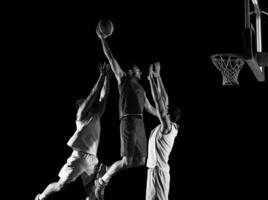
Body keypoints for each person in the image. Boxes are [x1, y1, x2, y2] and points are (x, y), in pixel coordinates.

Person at [95, 22, 157, 199]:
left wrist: (163, 117)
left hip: (140, 123)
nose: (140, 71)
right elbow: (110, 56)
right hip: (128, 121)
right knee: (128, 161)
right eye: (138, 69)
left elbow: (150, 108)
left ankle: (107, 171)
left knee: (140, 161)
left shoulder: (142, 90)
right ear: (131, 71)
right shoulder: (123, 78)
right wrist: (102, 40)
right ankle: (102, 181)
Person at [35, 63, 112, 200]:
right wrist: (101, 76)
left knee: (94, 193)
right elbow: (93, 94)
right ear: (80, 107)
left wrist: (108, 77)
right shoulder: (81, 116)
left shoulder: (95, 115)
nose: (88, 104)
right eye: (84, 103)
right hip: (79, 157)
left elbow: (103, 96)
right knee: (60, 186)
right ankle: (41, 197)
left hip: (92, 159)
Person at [146, 62, 181, 200]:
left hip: (159, 173)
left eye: (165, 111)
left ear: (168, 116)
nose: (163, 109)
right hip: (153, 172)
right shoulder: (166, 125)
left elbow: (158, 100)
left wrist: (151, 80)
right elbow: (161, 101)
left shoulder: (167, 127)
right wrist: (158, 77)